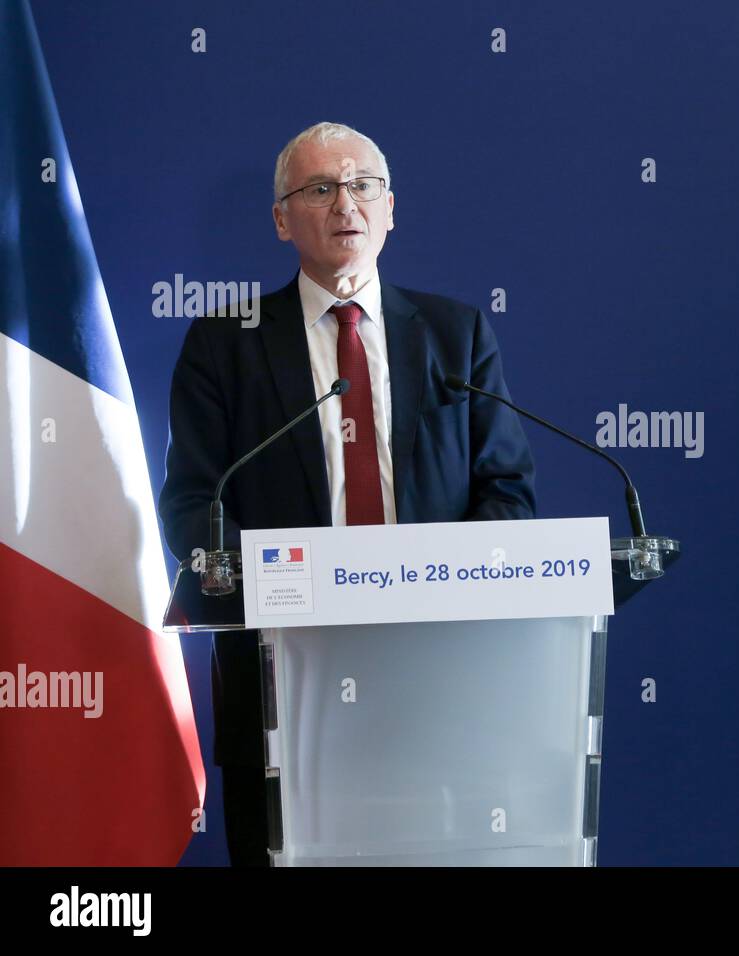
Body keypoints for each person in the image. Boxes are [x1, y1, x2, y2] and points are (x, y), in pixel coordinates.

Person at [158, 122, 537, 866]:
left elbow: (507, 494)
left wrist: (439, 589)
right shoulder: (223, 341)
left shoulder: (454, 334)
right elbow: (194, 503)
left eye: (364, 185)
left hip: (437, 682)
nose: (346, 204)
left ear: (391, 207)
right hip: (283, 689)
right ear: (281, 219)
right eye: (320, 188)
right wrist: (287, 592)